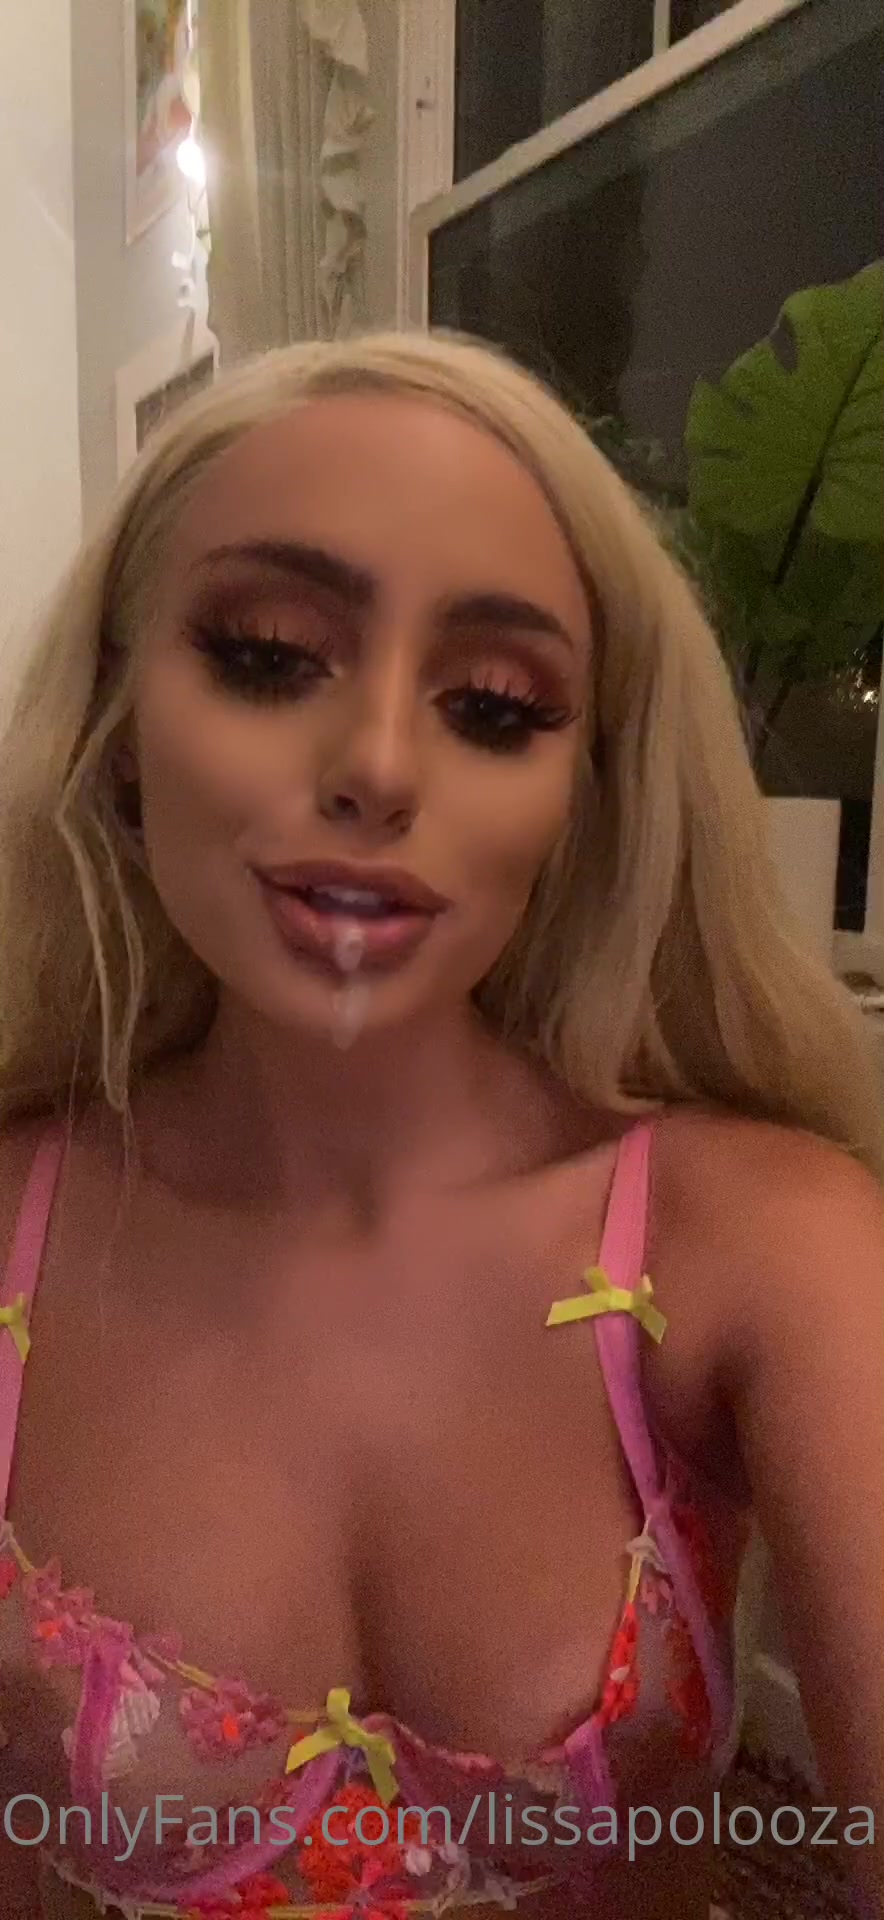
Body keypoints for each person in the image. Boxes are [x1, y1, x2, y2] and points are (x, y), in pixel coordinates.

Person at [0, 329, 880, 1920]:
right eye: (268, 656)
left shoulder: (769, 1248)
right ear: (118, 728)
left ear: (585, 795)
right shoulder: (15, 1231)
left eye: (491, 705)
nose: (381, 768)